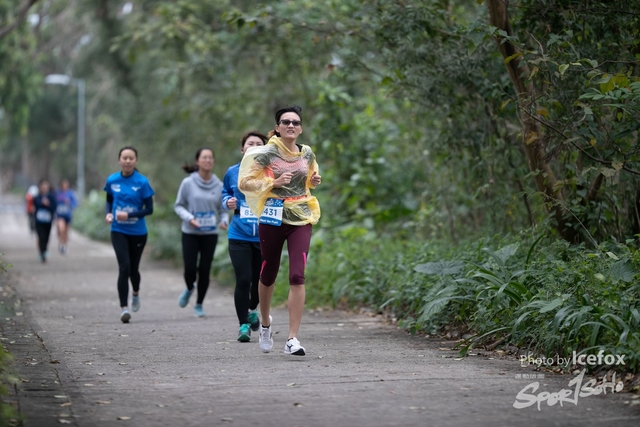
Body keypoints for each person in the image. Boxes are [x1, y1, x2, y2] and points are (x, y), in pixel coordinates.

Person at [238, 105, 321, 356]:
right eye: (286, 122)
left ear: (301, 128)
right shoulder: (266, 153)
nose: (291, 125)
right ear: (277, 128)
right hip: (273, 217)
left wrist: (313, 180)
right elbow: (245, 182)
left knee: (298, 274)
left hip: (301, 217)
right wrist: (272, 182)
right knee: (269, 271)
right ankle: (264, 324)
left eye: (296, 122)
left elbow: (309, 178)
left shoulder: (307, 153)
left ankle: (292, 339)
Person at [222, 131, 267, 341]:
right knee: (243, 280)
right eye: (251, 143)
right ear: (243, 149)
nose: (254, 146)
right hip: (239, 233)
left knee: (260, 281)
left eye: (259, 144)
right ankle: (242, 326)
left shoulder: (271, 172)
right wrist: (227, 202)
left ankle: (251, 309)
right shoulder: (232, 172)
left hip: (265, 235)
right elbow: (225, 194)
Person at [174, 148, 228, 318]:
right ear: (197, 161)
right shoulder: (188, 183)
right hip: (190, 232)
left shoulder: (219, 185)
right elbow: (178, 205)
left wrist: (224, 220)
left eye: (210, 158)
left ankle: (199, 304)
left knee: (204, 269)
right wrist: (189, 218)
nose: (208, 160)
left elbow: (223, 209)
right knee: (190, 268)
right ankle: (190, 287)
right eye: (204, 158)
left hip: (210, 234)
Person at [104, 146, 155, 323]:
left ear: (135, 161)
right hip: (118, 230)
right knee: (124, 267)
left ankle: (135, 293)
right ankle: (123, 308)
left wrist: (129, 215)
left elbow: (149, 209)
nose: (127, 161)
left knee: (134, 270)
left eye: (131, 158)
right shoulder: (112, 180)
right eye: (124, 158)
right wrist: (108, 214)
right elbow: (109, 200)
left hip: (138, 232)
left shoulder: (142, 182)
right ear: (119, 160)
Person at [33, 179, 57, 263]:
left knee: (46, 237)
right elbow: (35, 206)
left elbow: (54, 207)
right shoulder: (37, 197)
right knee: (41, 236)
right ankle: (42, 252)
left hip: (48, 221)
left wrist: (48, 204)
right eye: (42, 186)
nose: (44, 188)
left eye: (45, 186)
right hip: (39, 221)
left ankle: (45, 250)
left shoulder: (51, 196)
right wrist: (41, 203)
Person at [55, 178, 78, 254]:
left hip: (68, 215)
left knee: (65, 232)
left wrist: (69, 203)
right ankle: (61, 243)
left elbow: (75, 204)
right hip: (60, 215)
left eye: (66, 185)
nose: (65, 186)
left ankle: (64, 245)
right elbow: (54, 203)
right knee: (61, 230)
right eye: (63, 184)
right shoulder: (57, 193)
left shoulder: (71, 193)